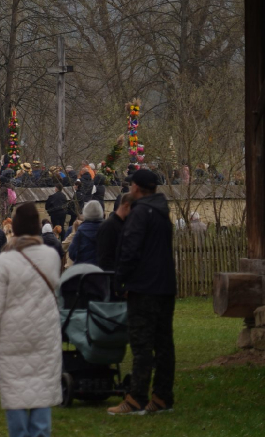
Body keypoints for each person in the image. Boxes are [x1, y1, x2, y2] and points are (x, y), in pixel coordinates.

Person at [0, 203, 62, 437]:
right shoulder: (51, 257)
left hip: (12, 335)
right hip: (45, 331)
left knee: (15, 391)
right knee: (42, 389)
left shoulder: (4, 261)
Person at [107, 169, 177, 415]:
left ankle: (136, 397)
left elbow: (130, 249)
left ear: (136, 188)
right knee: (164, 343)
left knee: (142, 344)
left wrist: (121, 281)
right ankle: (162, 396)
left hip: (144, 287)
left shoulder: (139, 213)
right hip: (165, 286)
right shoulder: (161, 212)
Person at [69, 200, 103, 266]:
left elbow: (72, 253)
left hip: (83, 269)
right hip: (103, 269)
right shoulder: (107, 228)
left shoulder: (81, 231)